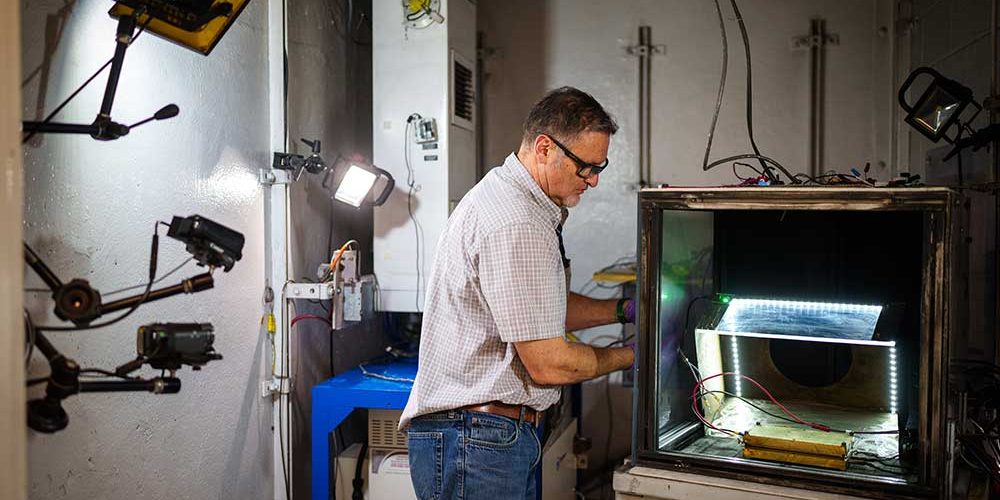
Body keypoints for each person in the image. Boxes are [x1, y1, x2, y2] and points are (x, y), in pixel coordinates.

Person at [399, 86, 635, 499]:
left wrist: (625, 310)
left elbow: (541, 311)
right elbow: (549, 365)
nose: (594, 180)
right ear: (544, 148)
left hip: (484, 438)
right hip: (476, 441)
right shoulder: (517, 222)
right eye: (586, 167)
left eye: (601, 166)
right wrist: (639, 354)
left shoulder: (516, 202)